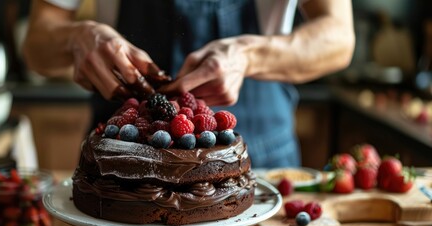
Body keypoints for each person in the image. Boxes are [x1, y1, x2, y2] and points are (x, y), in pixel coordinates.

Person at [23, 0, 355, 168]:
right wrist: (78, 37)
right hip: (123, 167)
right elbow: (36, 43)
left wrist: (247, 55)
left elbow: (338, 38)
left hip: (259, 159)